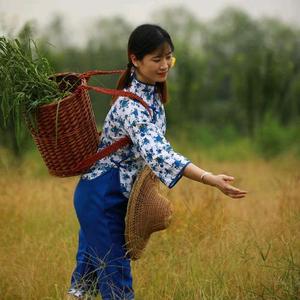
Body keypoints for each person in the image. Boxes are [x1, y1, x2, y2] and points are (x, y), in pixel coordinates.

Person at [67, 24, 247, 300]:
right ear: (135, 59)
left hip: (112, 195)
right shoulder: (131, 106)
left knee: (86, 283)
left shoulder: (152, 96)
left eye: (169, 57)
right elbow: (159, 153)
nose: (165, 65)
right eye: (156, 59)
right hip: (102, 198)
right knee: (117, 284)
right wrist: (209, 178)